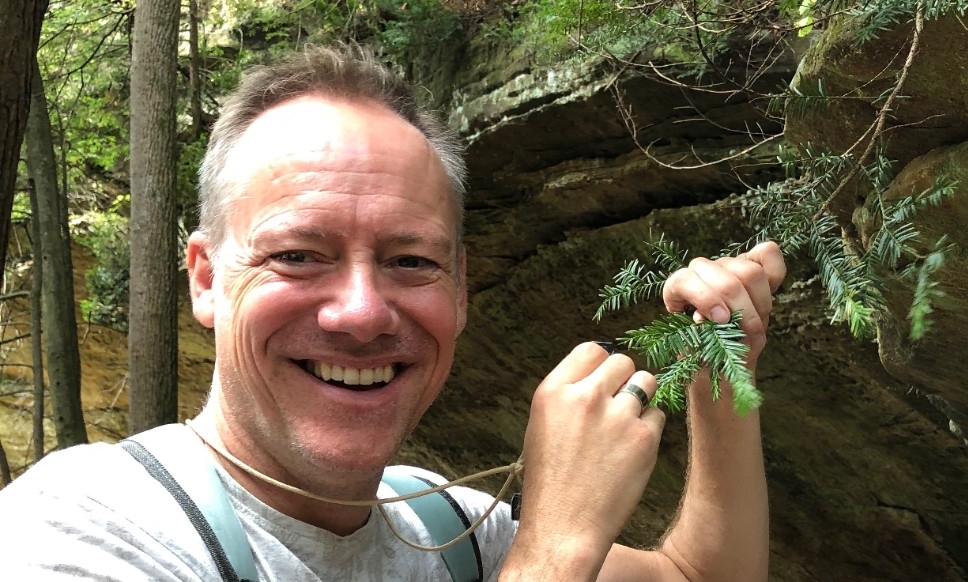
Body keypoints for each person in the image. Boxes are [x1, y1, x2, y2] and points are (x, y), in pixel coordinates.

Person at [0, 44, 786, 581]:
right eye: (298, 254)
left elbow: (696, 575)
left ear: (461, 287)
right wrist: (554, 547)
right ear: (206, 279)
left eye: (411, 261)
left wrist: (724, 374)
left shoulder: (445, 527)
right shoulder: (80, 529)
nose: (362, 312)